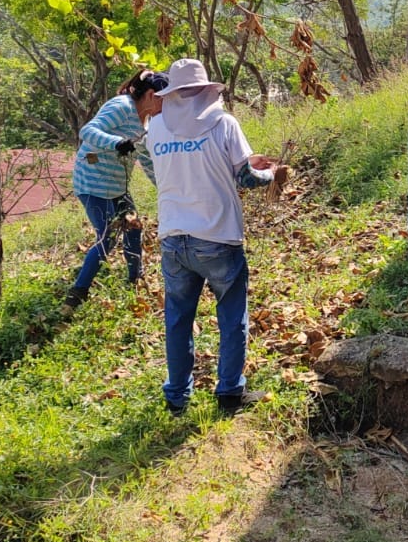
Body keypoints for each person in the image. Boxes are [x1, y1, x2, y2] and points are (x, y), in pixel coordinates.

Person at [148, 56, 291, 416]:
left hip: (173, 237)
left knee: (178, 320)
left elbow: (166, 171)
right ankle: (229, 394)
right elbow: (244, 178)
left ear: (173, 93)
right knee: (230, 315)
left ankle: (176, 397)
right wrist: (271, 175)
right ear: (207, 90)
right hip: (217, 237)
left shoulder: (157, 129)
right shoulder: (223, 123)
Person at [63, 69, 166, 311]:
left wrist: (164, 188)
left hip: (118, 185)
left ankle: (134, 278)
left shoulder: (147, 122)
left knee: (133, 227)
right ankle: (77, 295)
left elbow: (146, 159)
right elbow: (87, 131)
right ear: (151, 94)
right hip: (92, 182)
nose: (168, 105)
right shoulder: (122, 106)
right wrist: (116, 143)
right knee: (107, 237)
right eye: (165, 98)